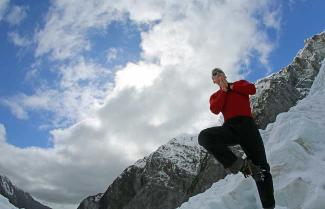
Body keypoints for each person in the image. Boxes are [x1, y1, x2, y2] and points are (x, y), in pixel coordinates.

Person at [198, 68, 275, 209]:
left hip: (248, 127)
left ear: (225, 75)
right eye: (214, 74)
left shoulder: (239, 84)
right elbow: (215, 109)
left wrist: (231, 86)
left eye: (219, 72)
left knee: (262, 170)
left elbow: (252, 89)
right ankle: (242, 166)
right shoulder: (215, 95)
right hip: (230, 128)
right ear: (213, 81)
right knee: (204, 137)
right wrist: (223, 90)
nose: (217, 74)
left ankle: (269, 207)